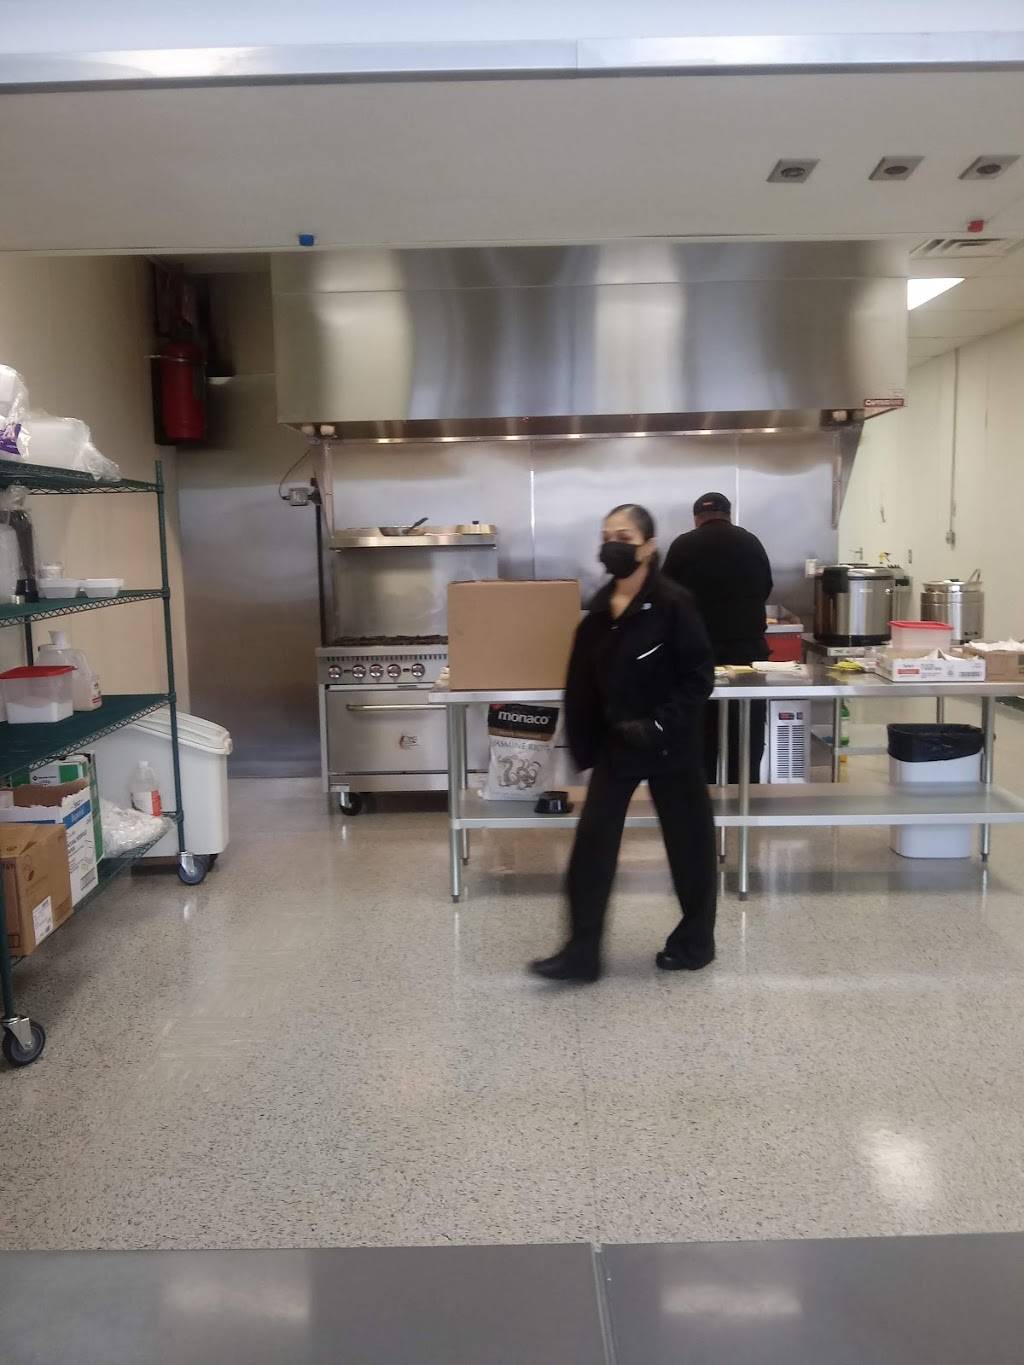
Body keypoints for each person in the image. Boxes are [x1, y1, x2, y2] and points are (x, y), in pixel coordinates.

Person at [530, 504, 717, 984]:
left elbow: (699, 676)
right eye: (607, 536)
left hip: (670, 744)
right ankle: (581, 953)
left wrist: (659, 726)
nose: (613, 545)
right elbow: (581, 683)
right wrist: (587, 743)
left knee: (690, 845)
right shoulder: (598, 612)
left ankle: (695, 943)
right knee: (593, 844)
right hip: (619, 744)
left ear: (648, 547)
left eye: (624, 537)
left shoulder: (675, 603)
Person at [663, 492, 773, 785]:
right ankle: (745, 795)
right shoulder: (751, 542)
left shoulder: (683, 545)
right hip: (747, 656)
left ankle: (702, 797)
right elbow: (766, 587)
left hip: (697, 658)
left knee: (700, 737)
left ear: (697, 518)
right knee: (746, 735)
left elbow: (665, 597)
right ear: (728, 515)